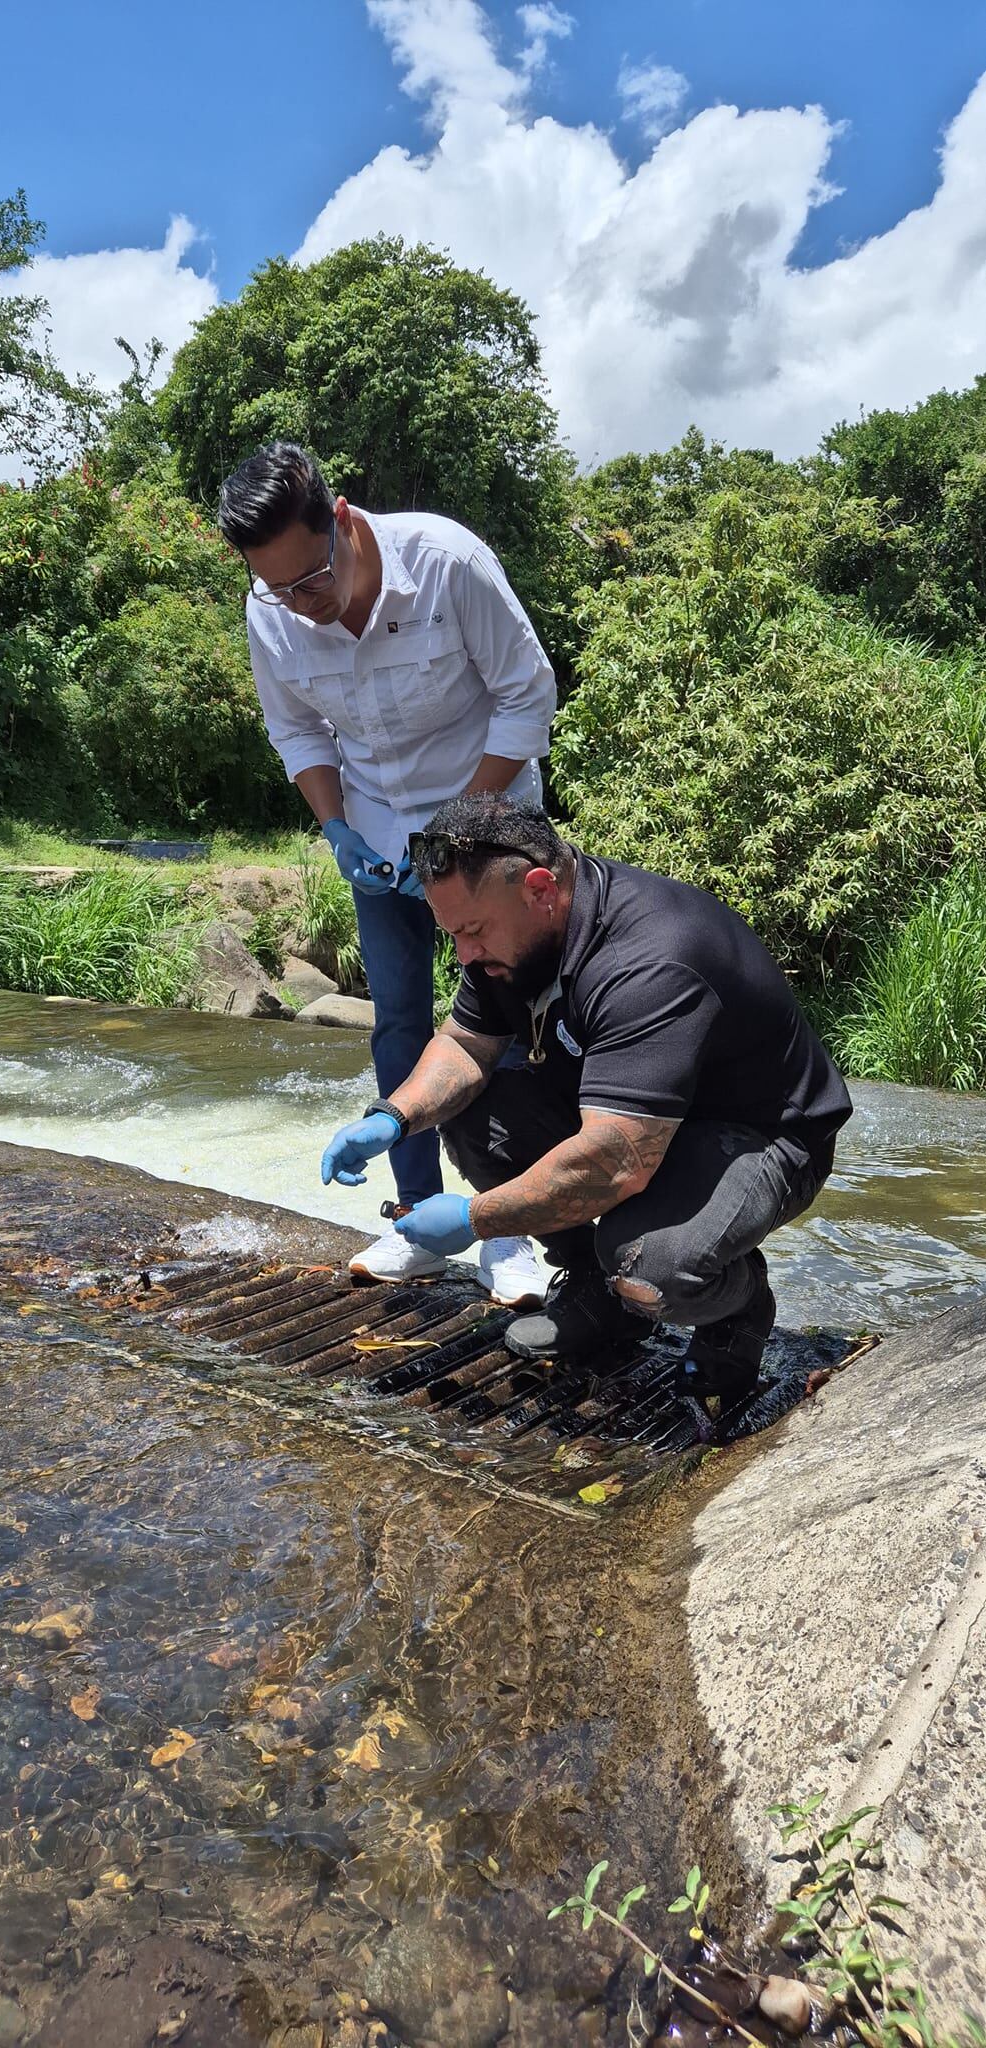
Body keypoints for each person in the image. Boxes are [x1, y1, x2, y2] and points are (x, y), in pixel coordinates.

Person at [319, 794, 853, 1411]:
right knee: (473, 1117)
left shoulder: (649, 959)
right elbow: (467, 1045)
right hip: (636, 1115)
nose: (464, 955)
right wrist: (394, 1115)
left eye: (472, 933)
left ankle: (736, 1307)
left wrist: (475, 1219)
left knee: (649, 1262)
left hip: (762, 1137)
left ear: (542, 889)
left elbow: (615, 1161)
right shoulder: (516, 929)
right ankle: (598, 1296)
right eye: (452, 935)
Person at [218, 442, 558, 1305]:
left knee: (508, 1024)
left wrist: (455, 832)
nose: (306, 606)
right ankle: (416, 1216)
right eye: (280, 591)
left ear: (341, 521)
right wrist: (335, 829)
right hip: (377, 841)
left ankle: (507, 1228)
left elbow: (527, 694)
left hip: (488, 826)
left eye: (312, 580)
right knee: (399, 1022)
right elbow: (297, 733)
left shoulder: (445, 564)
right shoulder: (272, 606)